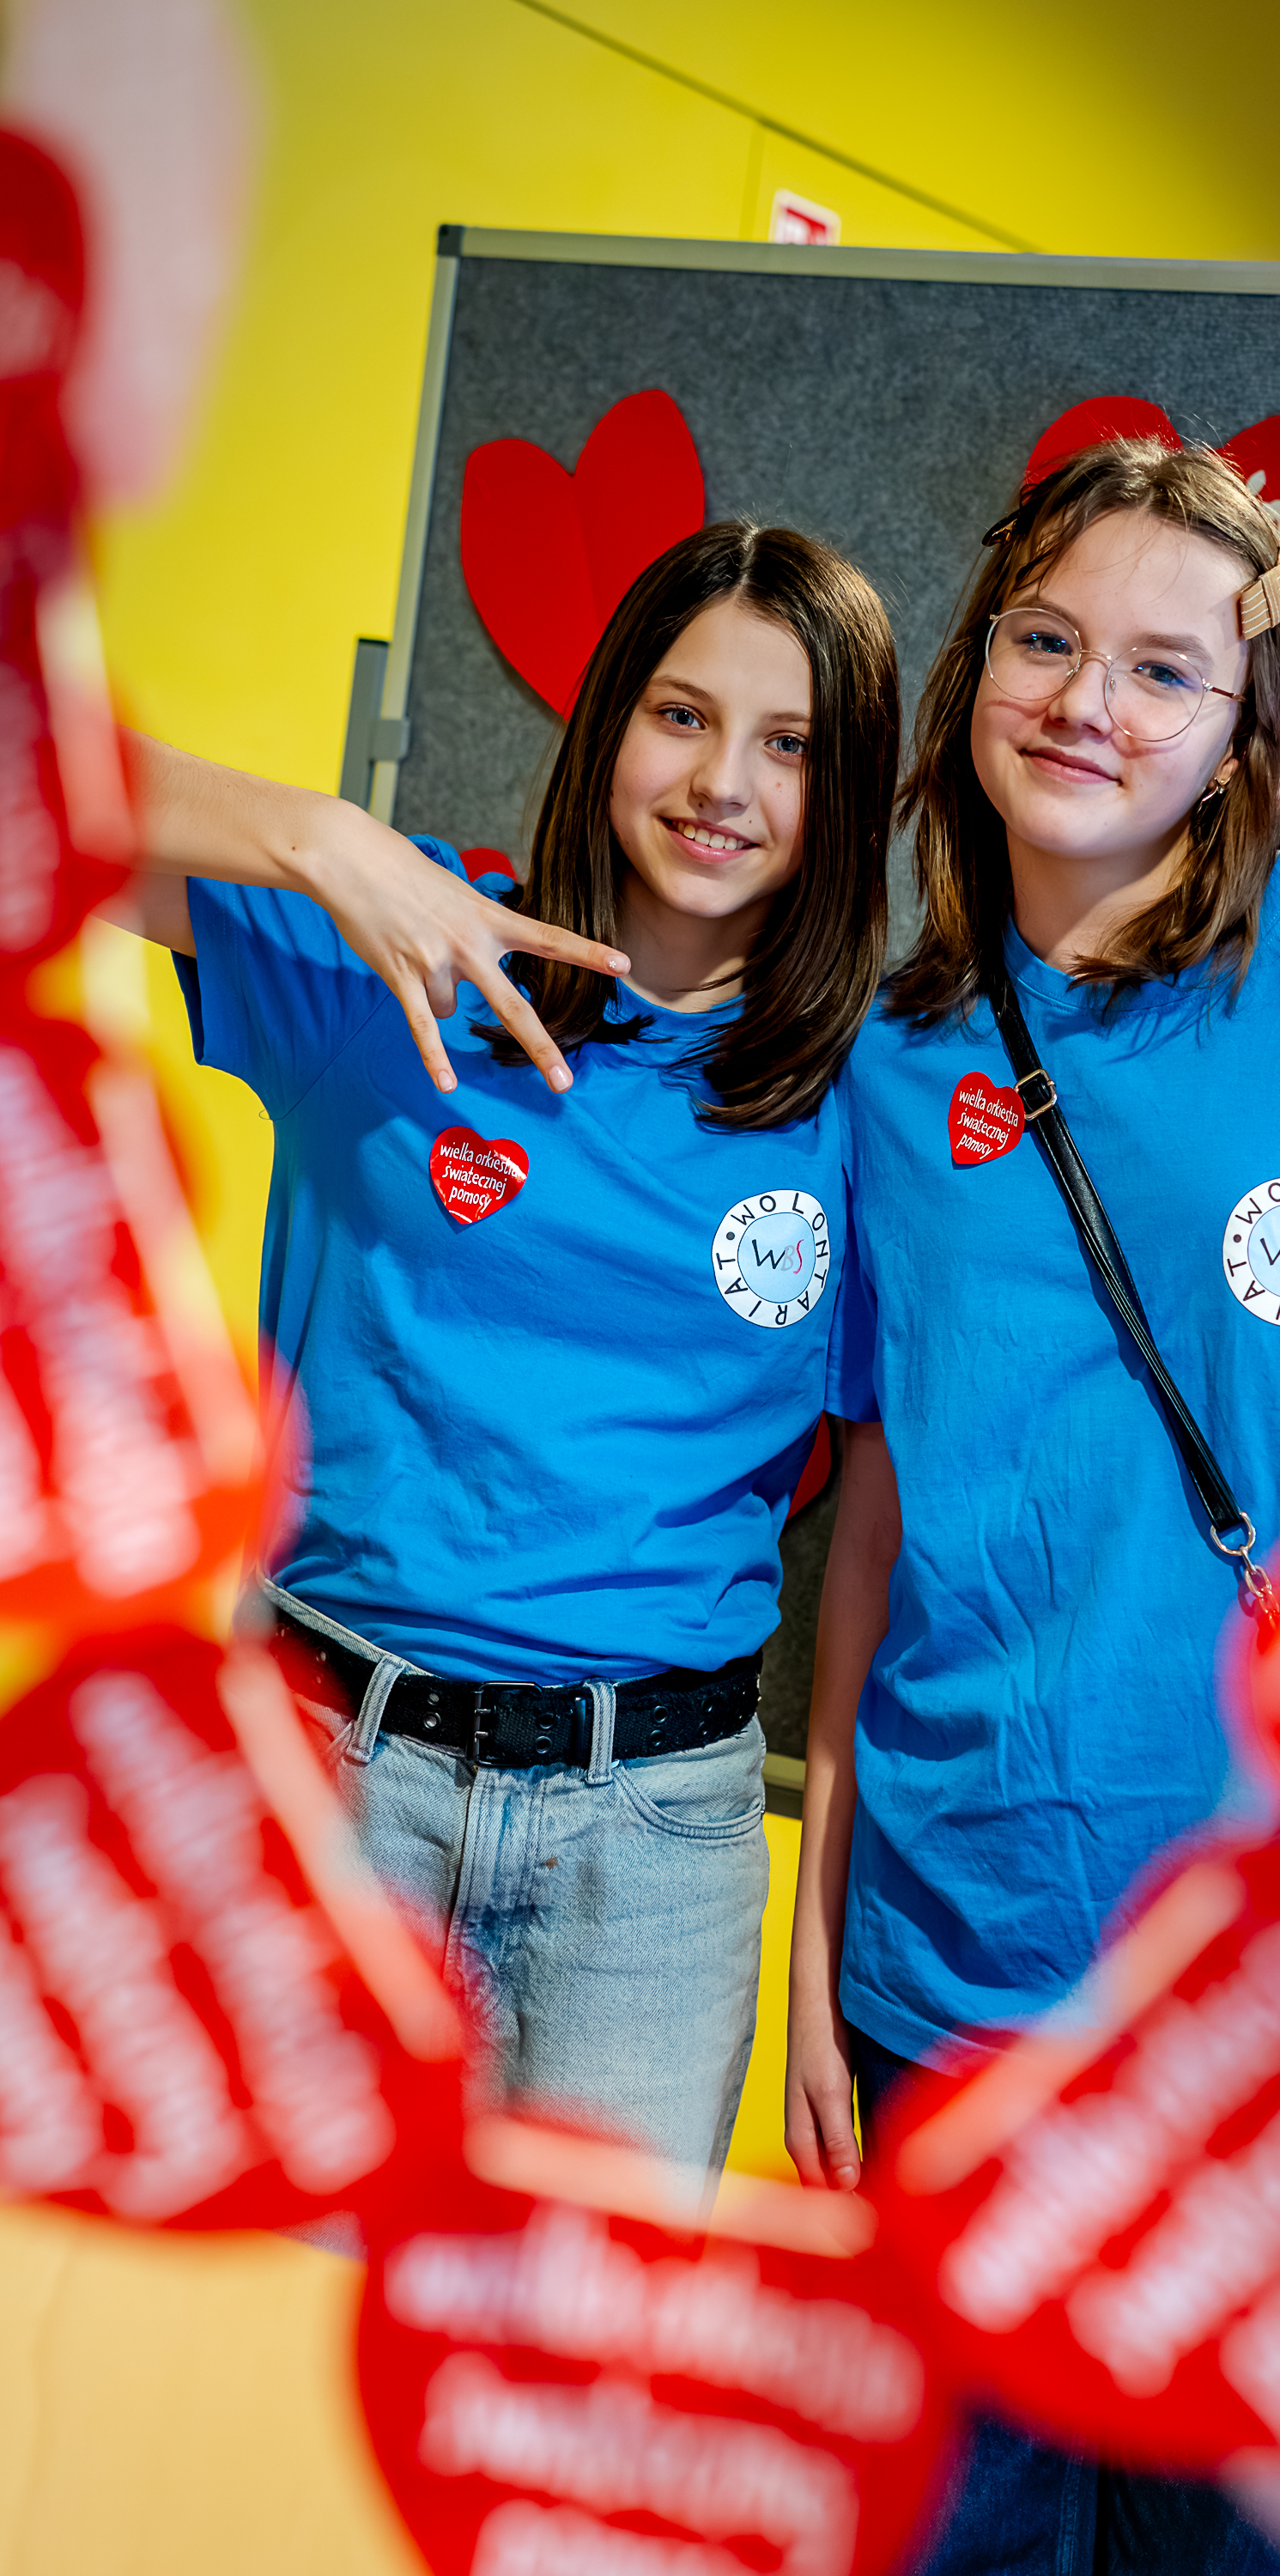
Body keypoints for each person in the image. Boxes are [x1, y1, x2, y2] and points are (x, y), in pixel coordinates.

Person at [782, 439, 1280, 2570]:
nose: (1088, 702)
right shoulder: (890, 1058)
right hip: (956, 1975)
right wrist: (814, 1951)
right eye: (1046, 639)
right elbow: (874, 1525)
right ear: (975, 667)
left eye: (1165, 670)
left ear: (1240, 726)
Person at [112, 519, 899, 2174]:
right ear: (609, 718)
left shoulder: (877, 1110)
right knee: (258, 2313)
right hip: (324, 1777)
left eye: (790, 745)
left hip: (655, 1858)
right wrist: (325, 841)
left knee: (579, 2339)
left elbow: (882, 1541)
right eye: (682, 715)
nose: (723, 784)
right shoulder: (397, 957)